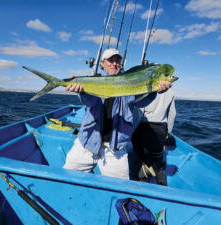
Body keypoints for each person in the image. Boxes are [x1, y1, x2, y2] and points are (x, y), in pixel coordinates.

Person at [63, 48, 172, 180]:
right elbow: (89, 101)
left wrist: (154, 90)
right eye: (110, 60)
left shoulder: (130, 83)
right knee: (66, 179)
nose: (114, 63)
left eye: (117, 61)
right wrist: (80, 91)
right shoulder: (94, 81)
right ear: (102, 64)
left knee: (120, 188)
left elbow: (140, 102)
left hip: (115, 150)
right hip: (87, 144)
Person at [132, 89, 176, 185]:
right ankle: (162, 184)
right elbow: (172, 113)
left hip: (144, 127)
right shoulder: (170, 92)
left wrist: (130, 132)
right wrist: (168, 131)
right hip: (161, 129)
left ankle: (142, 178)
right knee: (159, 159)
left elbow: (138, 113)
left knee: (141, 156)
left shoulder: (146, 89)